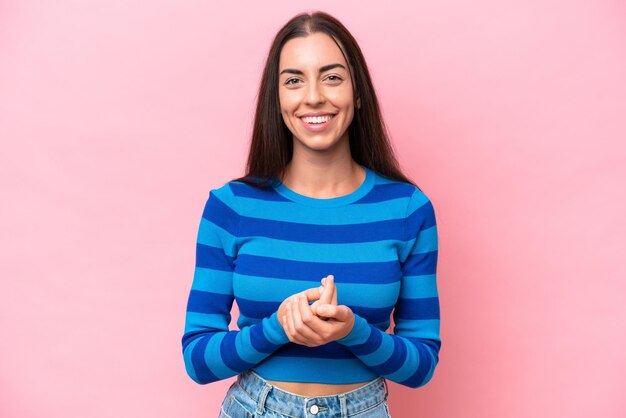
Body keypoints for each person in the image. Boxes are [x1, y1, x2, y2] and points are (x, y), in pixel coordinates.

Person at [181, 10, 441, 418]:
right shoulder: (230, 207)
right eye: (294, 80)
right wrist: (277, 329)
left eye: (332, 77)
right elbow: (197, 358)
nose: (314, 96)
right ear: (278, 98)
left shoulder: (408, 209)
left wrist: (355, 332)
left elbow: (422, 364)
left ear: (358, 93)